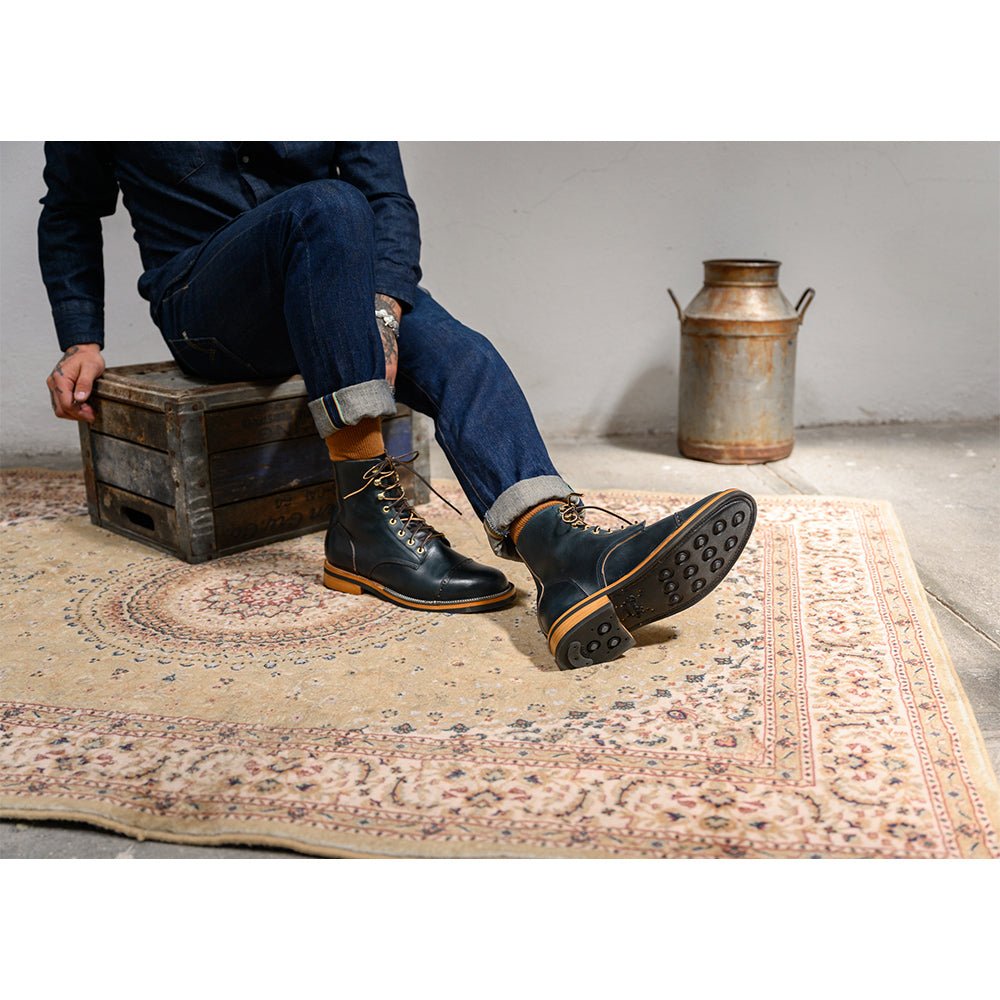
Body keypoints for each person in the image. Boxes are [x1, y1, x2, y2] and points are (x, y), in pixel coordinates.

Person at [39, 142, 756, 670]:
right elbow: (70, 207)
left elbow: (387, 198)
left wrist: (383, 310)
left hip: (337, 284)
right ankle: (365, 528)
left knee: (462, 355)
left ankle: (563, 558)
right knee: (327, 203)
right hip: (211, 307)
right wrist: (81, 339)